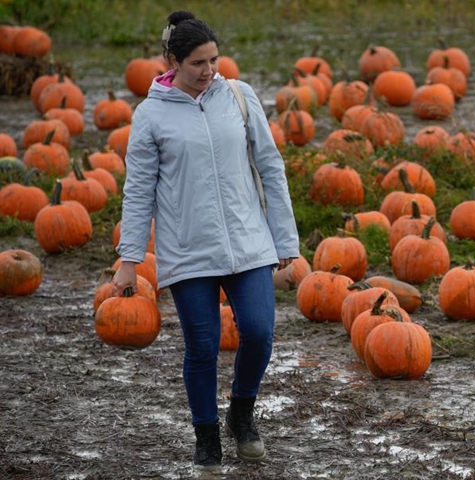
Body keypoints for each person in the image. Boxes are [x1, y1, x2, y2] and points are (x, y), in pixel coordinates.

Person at [113, 10, 300, 470]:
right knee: (202, 344)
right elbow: (138, 190)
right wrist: (129, 259)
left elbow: (271, 167)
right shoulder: (151, 115)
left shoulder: (238, 96)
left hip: (248, 241)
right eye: (198, 62)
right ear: (172, 61)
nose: (209, 71)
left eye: (214, 59)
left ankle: (241, 412)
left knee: (258, 332)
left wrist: (285, 241)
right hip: (188, 250)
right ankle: (206, 436)